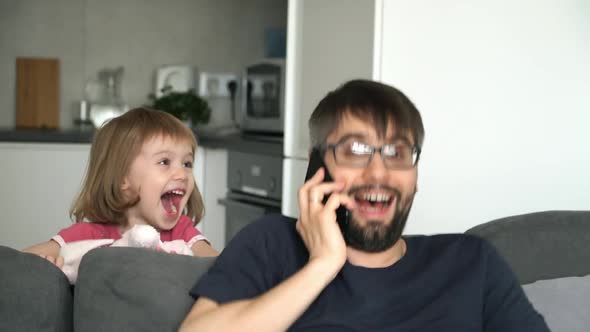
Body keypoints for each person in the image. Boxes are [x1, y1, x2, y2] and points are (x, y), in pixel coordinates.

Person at [179, 80, 549, 331]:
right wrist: (323, 265)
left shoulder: (472, 262)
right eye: (356, 151)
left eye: (398, 152)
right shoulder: (271, 244)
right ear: (317, 166)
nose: (379, 172)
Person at [24, 107, 218, 268]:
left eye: (187, 164)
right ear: (122, 178)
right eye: (165, 162)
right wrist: (44, 265)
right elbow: (17, 261)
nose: (182, 174)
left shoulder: (182, 233)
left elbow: (222, 267)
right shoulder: (85, 235)